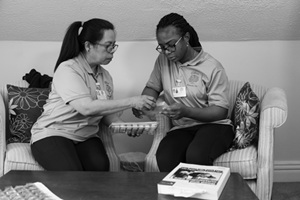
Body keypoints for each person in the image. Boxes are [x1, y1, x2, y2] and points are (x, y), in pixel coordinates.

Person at [30, 18, 156, 171]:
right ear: (88, 45)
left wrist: (125, 126)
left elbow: (107, 115)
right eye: (108, 46)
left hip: (86, 136)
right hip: (54, 132)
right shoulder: (68, 69)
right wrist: (133, 101)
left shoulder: (106, 76)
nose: (112, 51)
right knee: (70, 173)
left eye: (114, 46)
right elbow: (86, 108)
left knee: (100, 169)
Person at [133, 13, 235, 172]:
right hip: (182, 128)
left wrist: (186, 111)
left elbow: (220, 111)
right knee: (165, 157)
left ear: (186, 38)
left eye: (171, 45)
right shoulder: (163, 61)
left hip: (215, 126)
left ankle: (201, 196)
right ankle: (177, 196)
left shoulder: (212, 67)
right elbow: (153, 88)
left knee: (196, 155)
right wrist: (143, 102)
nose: (166, 51)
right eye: (162, 46)